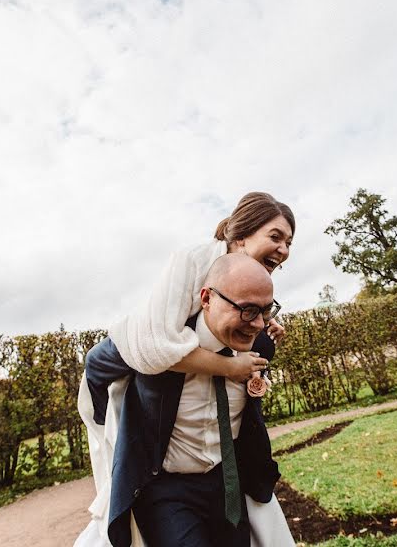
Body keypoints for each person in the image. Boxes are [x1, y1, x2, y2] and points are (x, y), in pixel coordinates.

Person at [76, 192, 295, 546]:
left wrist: (264, 323)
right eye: (275, 237)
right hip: (141, 340)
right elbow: (157, 349)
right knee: (101, 363)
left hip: (221, 480)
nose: (284, 249)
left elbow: (243, 303)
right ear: (240, 237)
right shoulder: (194, 260)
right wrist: (229, 366)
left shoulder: (247, 291)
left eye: (288, 242)